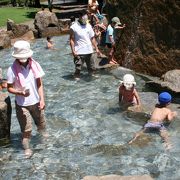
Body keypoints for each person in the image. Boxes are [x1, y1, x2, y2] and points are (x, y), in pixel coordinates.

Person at [7, 40, 48, 158]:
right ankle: (27, 148)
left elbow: (39, 84)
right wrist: (20, 92)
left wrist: (42, 99)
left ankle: (45, 143)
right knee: (26, 130)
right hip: (22, 104)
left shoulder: (34, 65)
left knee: (41, 125)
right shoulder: (12, 69)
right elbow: (9, 88)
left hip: (36, 102)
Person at [69, 10, 101, 80]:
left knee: (92, 68)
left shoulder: (89, 26)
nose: (86, 17)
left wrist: (97, 48)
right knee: (78, 69)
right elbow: (71, 39)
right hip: (79, 52)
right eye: (84, 16)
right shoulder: (73, 27)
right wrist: (73, 51)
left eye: (86, 15)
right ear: (80, 17)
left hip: (89, 51)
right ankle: (76, 80)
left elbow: (92, 38)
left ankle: (92, 80)